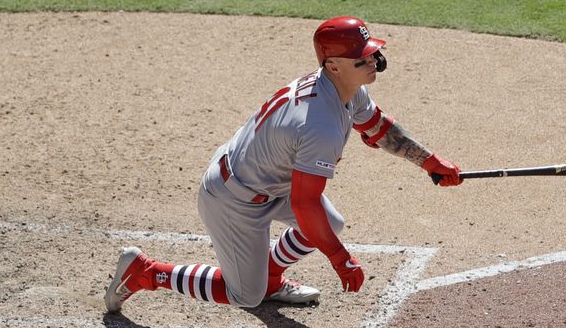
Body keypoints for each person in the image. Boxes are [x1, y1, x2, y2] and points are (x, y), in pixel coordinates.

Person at [104, 16, 463, 313]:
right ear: (333, 65)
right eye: (362, 59)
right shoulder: (317, 123)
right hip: (234, 198)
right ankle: (146, 272)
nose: (373, 63)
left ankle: (271, 280)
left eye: (373, 55)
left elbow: (378, 128)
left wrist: (429, 161)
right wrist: (340, 259)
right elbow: (305, 204)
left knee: (328, 223)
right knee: (246, 295)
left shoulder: (344, 89)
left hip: (267, 179)